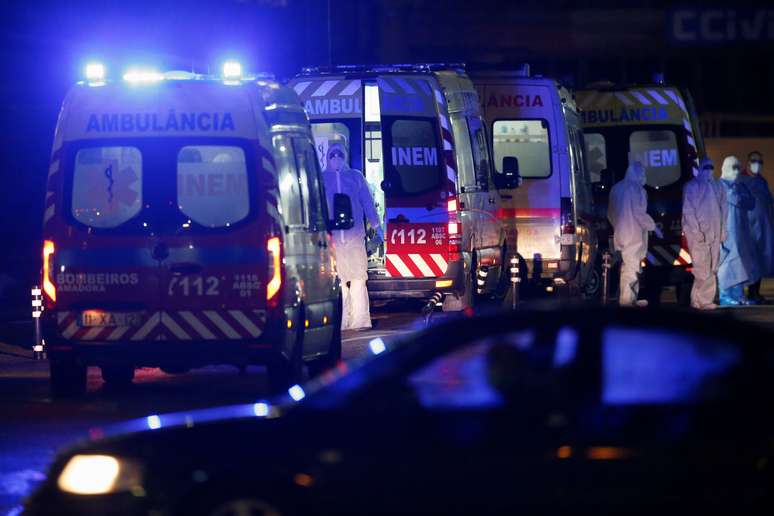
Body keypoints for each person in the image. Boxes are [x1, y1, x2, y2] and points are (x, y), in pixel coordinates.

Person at [321, 142, 382, 330]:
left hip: (354, 237)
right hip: (332, 241)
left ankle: (361, 320)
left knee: (357, 279)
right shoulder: (322, 179)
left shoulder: (355, 177)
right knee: (337, 283)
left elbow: (367, 203)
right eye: (333, 154)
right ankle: (342, 321)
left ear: (345, 155)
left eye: (339, 153)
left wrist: (377, 226)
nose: (336, 157)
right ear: (327, 156)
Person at [608, 161, 657, 306]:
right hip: (634, 234)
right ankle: (627, 300)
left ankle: (632, 298)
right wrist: (652, 225)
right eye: (642, 173)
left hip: (621, 233)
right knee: (631, 267)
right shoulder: (636, 189)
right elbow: (639, 213)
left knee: (630, 265)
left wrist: (618, 226)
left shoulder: (616, 188)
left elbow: (610, 213)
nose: (644, 176)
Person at [682, 157, 727, 309]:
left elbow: (723, 209)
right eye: (706, 167)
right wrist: (697, 231)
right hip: (698, 234)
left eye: (711, 167)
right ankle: (705, 300)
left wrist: (723, 230)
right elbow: (688, 211)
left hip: (714, 232)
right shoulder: (692, 187)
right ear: (700, 168)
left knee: (712, 267)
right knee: (702, 268)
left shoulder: (717, 186)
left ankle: (697, 300)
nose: (709, 170)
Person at [717, 156, 761, 305]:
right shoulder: (719, 186)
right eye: (733, 167)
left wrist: (737, 196)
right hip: (726, 232)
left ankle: (739, 294)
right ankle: (725, 295)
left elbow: (751, 203)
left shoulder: (740, 186)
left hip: (741, 232)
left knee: (741, 264)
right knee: (726, 264)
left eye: (738, 168)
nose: (736, 171)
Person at [742, 151, 774, 303]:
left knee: (760, 261)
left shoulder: (761, 181)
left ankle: (756, 292)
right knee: (750, 263)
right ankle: (749, 293)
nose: (757, 164)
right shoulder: (741, 180)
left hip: (763, 229)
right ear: (748, 162)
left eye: (760, 161)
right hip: (748, 230)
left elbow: (768, 202)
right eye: (755, 161)